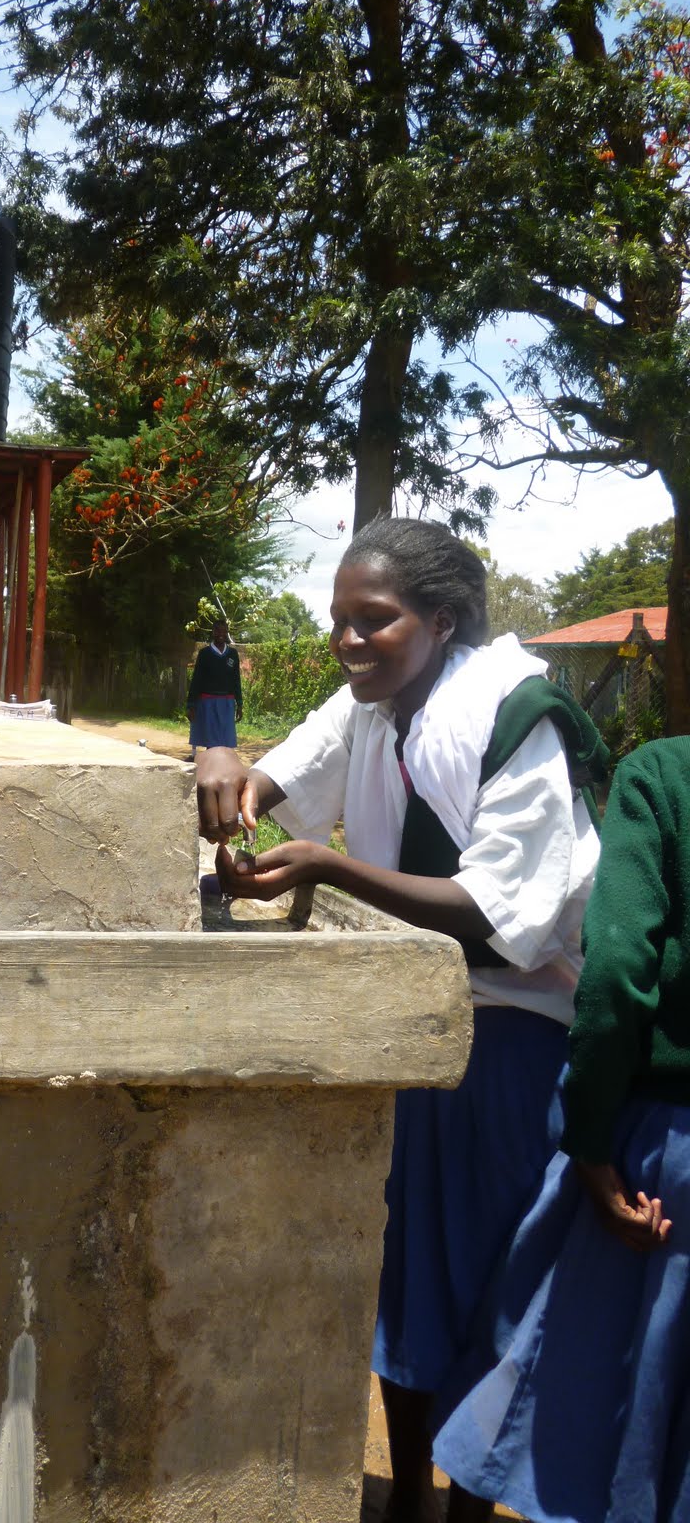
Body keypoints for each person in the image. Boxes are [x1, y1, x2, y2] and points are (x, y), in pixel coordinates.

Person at [196, 516, 605, 1523]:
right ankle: (408, 1493)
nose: (348, 641)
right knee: (406, 1280)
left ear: (440, 619)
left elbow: (504, 915)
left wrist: (332, 863)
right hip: (405, 1027)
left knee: (490, 1292)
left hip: (509, 1041)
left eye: (372, 621)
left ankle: (470, 1504)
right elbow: (280, 776)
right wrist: (228, 779)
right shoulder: (371, 703)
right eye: (338, 620)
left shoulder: (517, 719)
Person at [431, 735, 690, 1523]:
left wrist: (589, 1146)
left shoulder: (666, 774)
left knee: (554, 1352)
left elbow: (613, 977)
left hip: (660, 1152)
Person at [186, 616, 243, 756]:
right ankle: (210, 768)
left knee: (226, 741)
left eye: (224, 631)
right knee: (210, 741)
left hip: (227, 702)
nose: (221, 634)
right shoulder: (205, 654)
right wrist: (191, 704)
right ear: (213, 632)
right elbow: (197, 680)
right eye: (218, 631)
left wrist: (239, 704)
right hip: (208, 702)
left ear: (227, 632)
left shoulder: (233, 654)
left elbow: (236, 680)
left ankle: (224, 769)